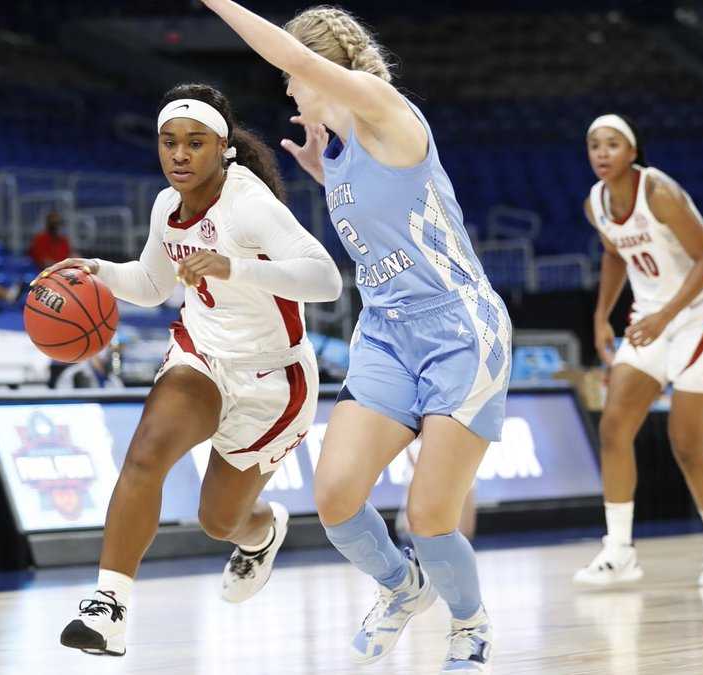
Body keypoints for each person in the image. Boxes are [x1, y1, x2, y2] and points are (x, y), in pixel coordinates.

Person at [202, 3, 512, 670]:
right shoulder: (340, 150)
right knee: (335, 495)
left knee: (431, 518)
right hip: (386, 333)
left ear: (317, 67)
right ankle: (402, 586)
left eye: (293, 75)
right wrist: (323, 171)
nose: (289, 88)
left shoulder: (382, 106)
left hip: (459, 330)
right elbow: (384, 205)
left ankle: (470, 624)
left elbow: (293, 58)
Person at [37, 82, 341, 657]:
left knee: (219, 521)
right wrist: (98, 271)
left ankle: (262, 531)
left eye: (195, 143)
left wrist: (234, 267)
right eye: (169, 142)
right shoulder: (165, 206)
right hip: (201, 353)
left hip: (274, 380)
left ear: (223, 147)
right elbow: (154, 285)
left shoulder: (248, 204)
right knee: (145, 453)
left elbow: (325, 280)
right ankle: (108, 608)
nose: (179, 155)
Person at [573, 114, 703, 588]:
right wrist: (601, 315)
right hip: (651, 317)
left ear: (632, 151)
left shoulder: (659, 192)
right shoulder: (595, 203)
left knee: (686, 441)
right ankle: (619, 551)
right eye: (594, 145)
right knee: (613, 427)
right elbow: (614, 254)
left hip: (701, 314)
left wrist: (664, 317)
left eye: (612, 144)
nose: (602, 152)